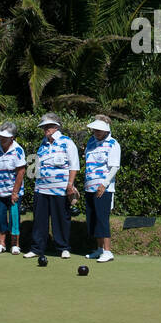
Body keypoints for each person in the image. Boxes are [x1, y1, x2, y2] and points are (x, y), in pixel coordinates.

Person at [27, 112, 80, 259]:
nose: (45, 129)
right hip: (41, 188)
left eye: (48, 126)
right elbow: (36, 165)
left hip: (60, 189)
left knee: (61, 219)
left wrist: (70, 184)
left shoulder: (67, 142)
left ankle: (63, 247)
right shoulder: (42, 144)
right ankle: (37, 248)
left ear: (56, 127)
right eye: (44, 127)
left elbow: (74, 166)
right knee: (39, 220)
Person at [82, 115, 121, 263]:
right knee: (93, 218)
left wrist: (104, 184)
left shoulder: (113, 144)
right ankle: (99, 249)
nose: (97, 132)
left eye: (100, 130)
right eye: (95, 130)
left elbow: (114, 167)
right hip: (89, 186)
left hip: (103, 187)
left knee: (102, 218)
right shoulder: (91, 142)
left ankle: (108, 251)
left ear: (106, 130)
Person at [0, 121, 26, 254]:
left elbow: (21, 172)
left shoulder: (18, 150)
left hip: (13, 191)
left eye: (5, 137)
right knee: (0, 217)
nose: (1, 139)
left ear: (12, 138)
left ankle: (15, 245)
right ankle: (1, 244)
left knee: (14, 218)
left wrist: (15, 192)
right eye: (0, 136)